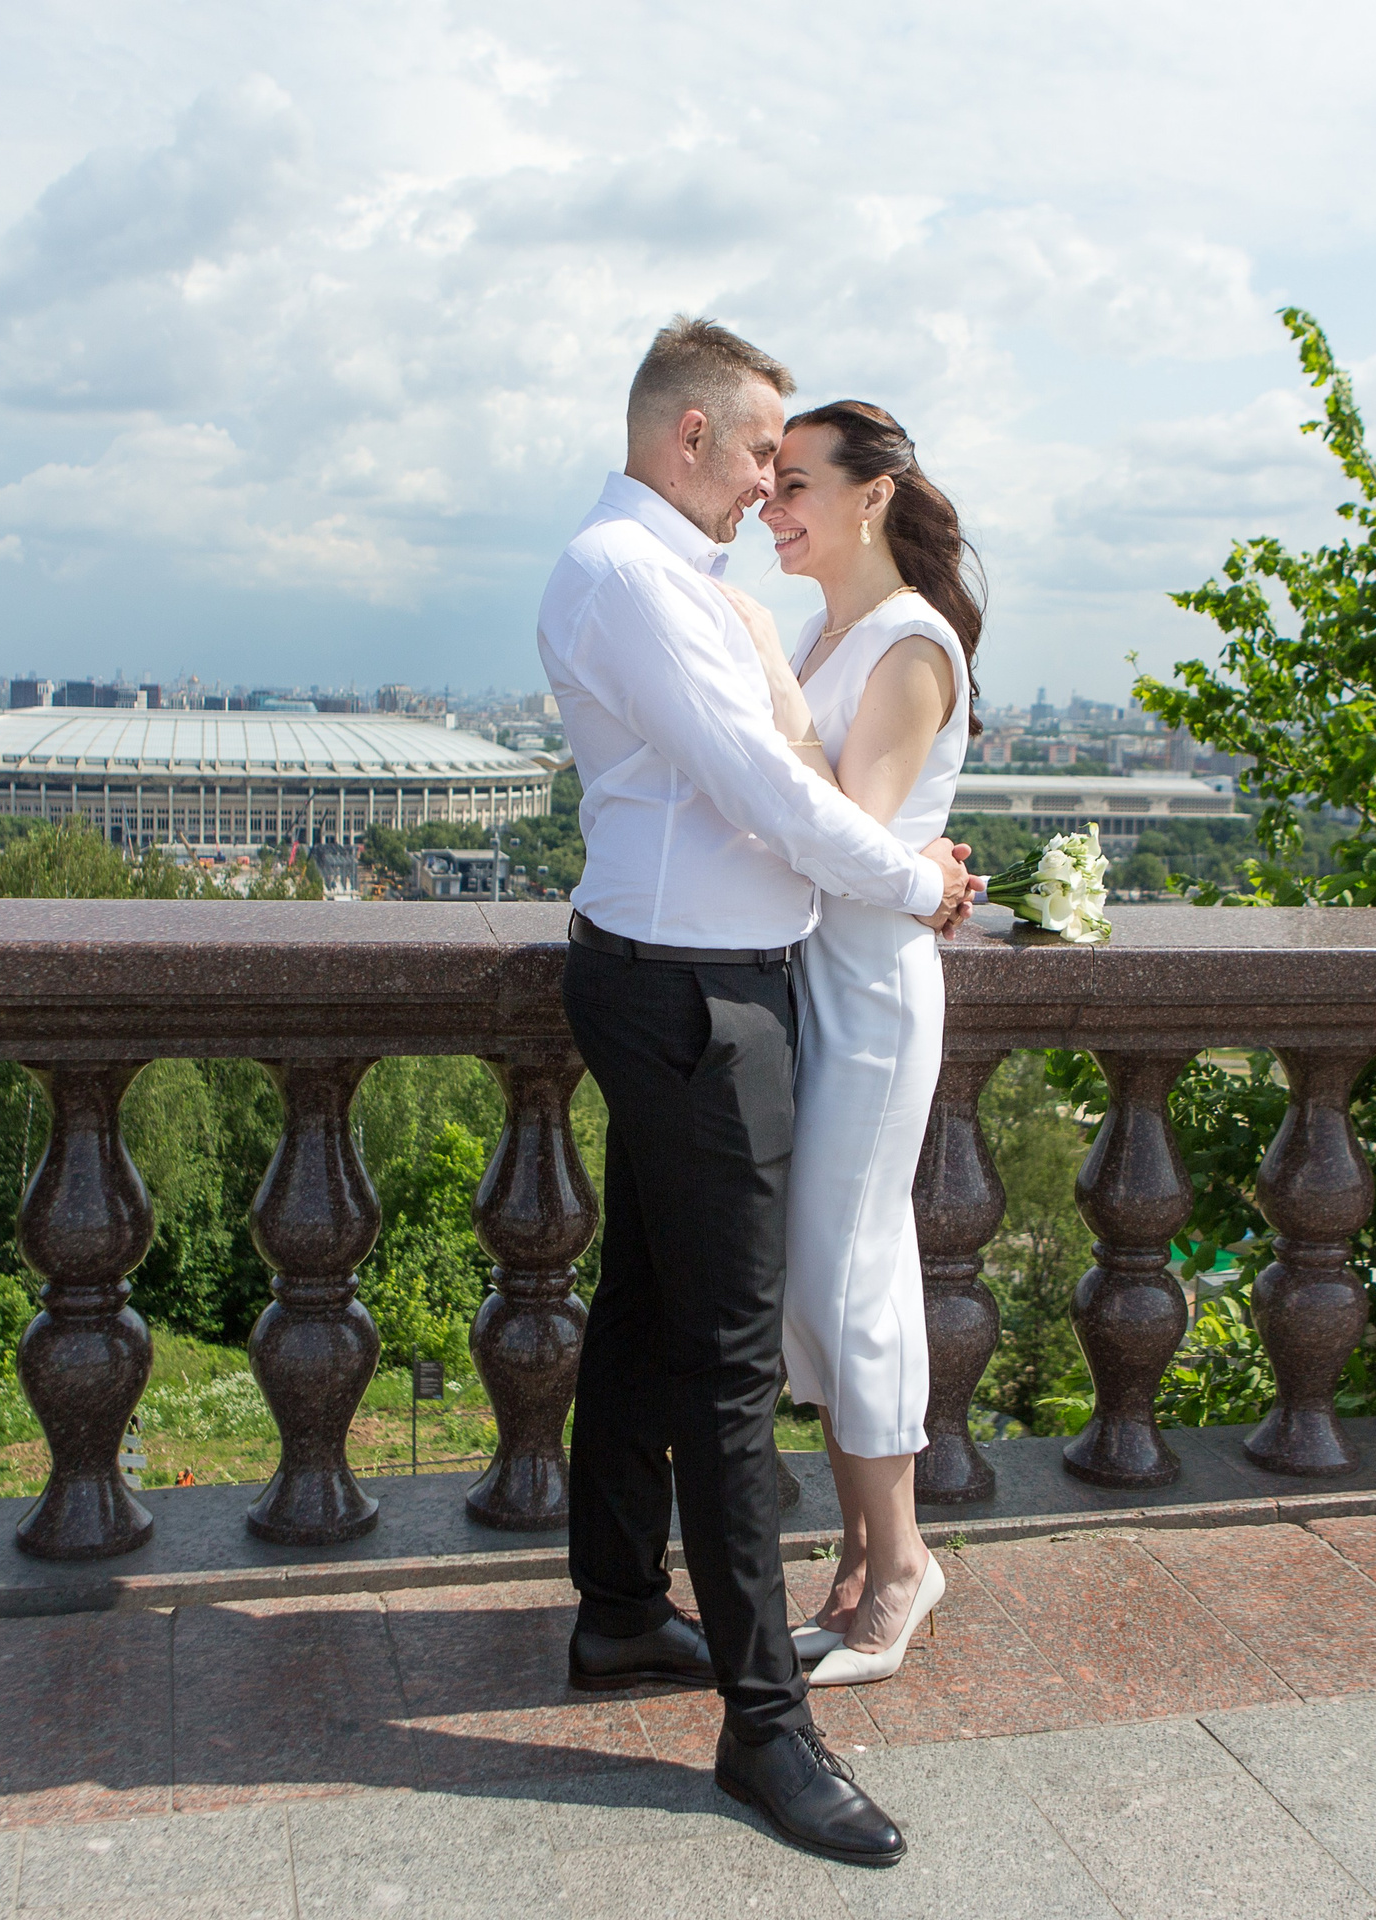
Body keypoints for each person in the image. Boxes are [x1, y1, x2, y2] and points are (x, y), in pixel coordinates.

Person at [537, 316, 980, 1870]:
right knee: (726, 1362)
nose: (762, 485)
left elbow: (770, 785)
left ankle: (611, 1613)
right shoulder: (636, 579)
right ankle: (765, 1727)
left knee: (655, 1307)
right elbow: (767, 791)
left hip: (691, 982)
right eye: (753, 456)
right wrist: (918, 880)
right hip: (690, 997)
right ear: (689, 441)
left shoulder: (664, 578)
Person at [716, 401, 977, 1689]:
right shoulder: (836, 631)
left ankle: (904, 1560)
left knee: (854, 1268)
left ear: (874, 494)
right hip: (812, 987)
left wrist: (762, 675)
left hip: (870, 998)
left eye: (798, 483)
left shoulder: (910, 644)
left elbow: (851, 829)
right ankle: (866, 1561)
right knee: (824, 1279)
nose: (773, 506)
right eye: (769, 487)